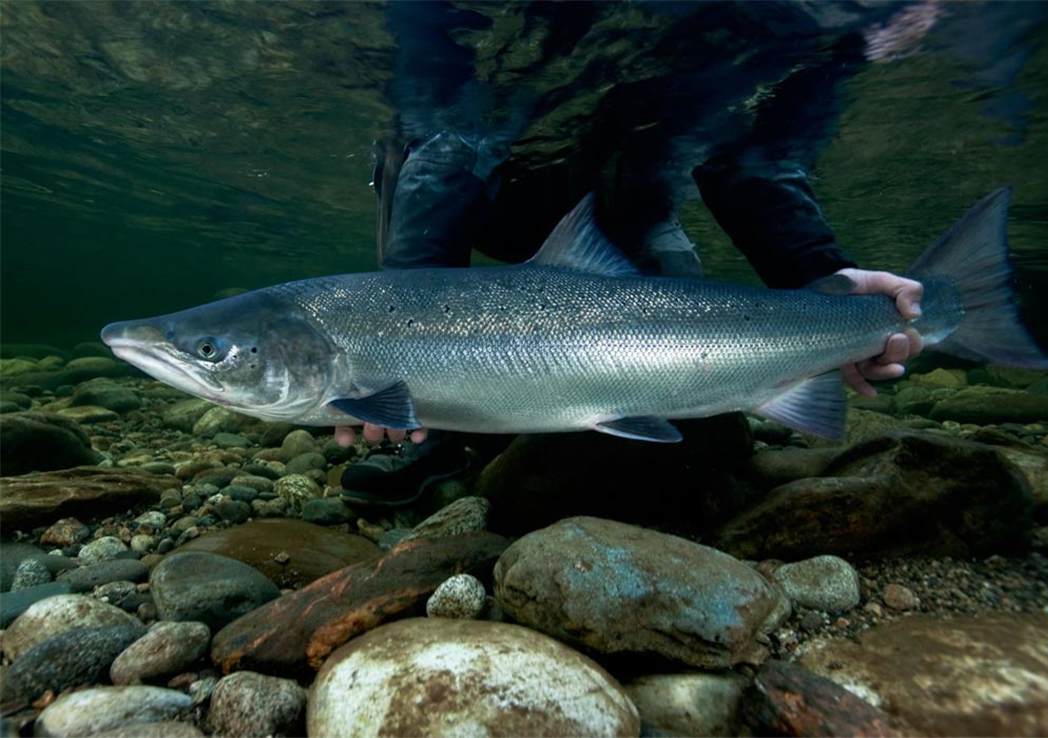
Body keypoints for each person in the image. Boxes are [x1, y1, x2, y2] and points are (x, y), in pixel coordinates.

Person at [336, 1, 927, 504]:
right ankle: (431, 438)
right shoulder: (482, 25)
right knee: (416, 174)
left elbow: (755, 157)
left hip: (628, 203)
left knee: (704, 424)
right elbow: (447, 141)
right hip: (475, 195)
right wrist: (394, 349)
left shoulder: (761, 22)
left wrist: (825, 275)